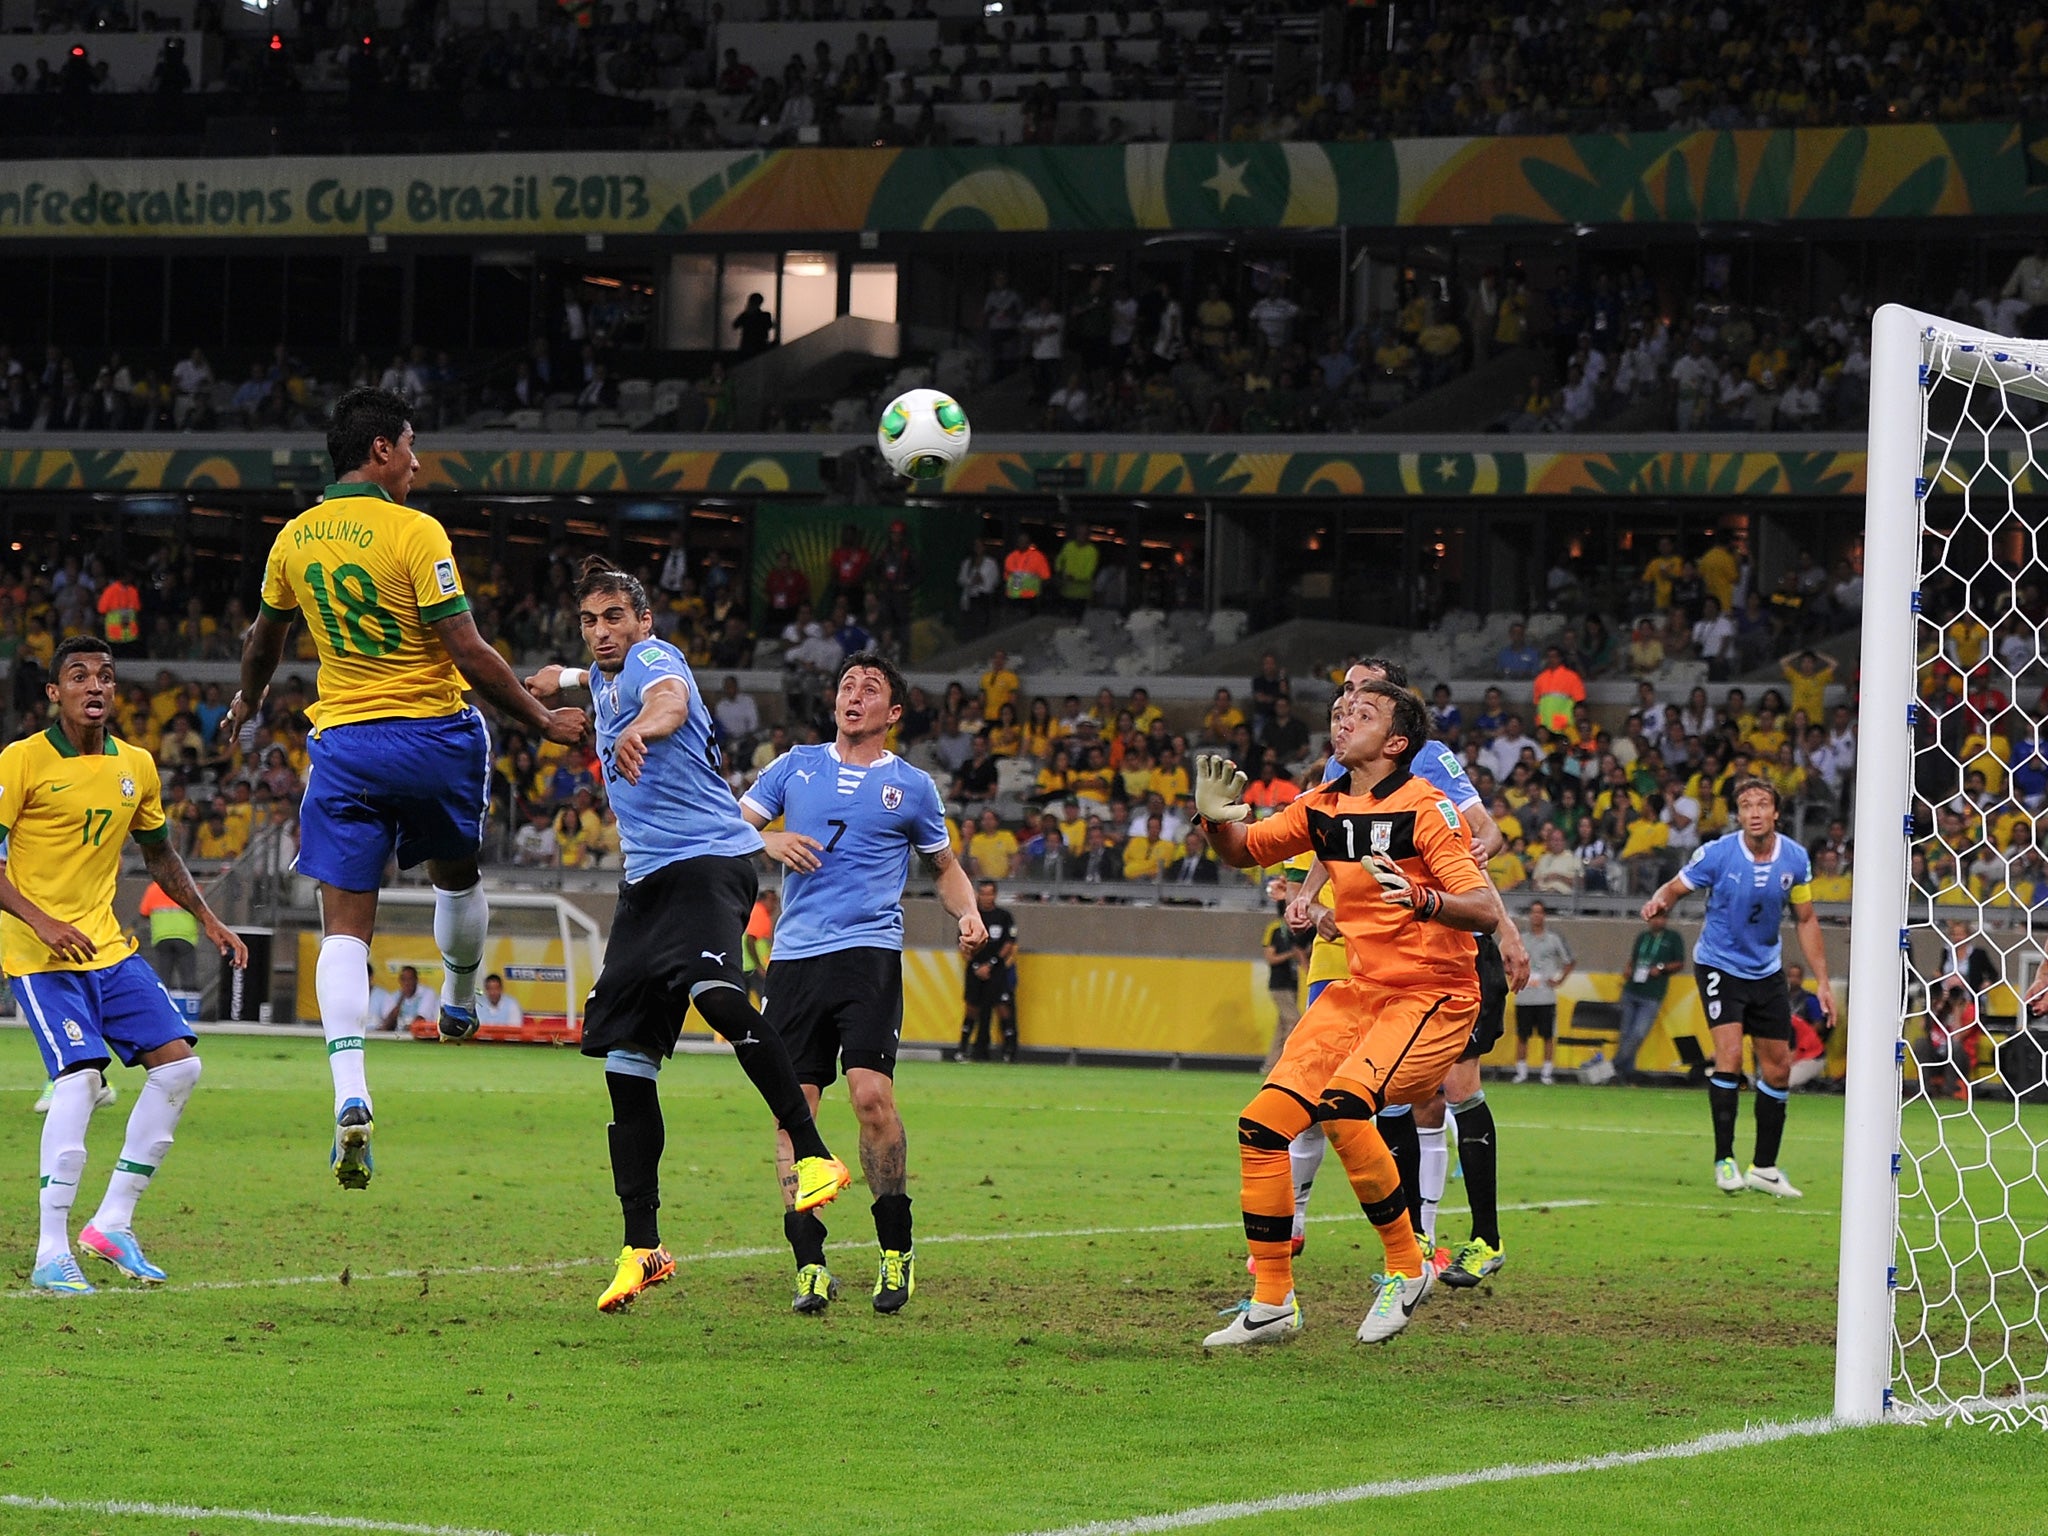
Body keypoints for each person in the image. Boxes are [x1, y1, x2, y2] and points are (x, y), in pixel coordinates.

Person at [229, 387, 587, 1191]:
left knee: (344, 926)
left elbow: (264, 642)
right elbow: (466, 647)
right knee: (456, 874)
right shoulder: (414, 530)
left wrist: (248, 702)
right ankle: (459, 995)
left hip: (346, 746)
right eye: (412, 445)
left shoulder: (292, 538)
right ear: (381, 450)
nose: (420, 461)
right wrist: (541, 719)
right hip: (431, 737)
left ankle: (351, 1092)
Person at [523, 559, 850, 1314]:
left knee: (718, 997)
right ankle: (643, 1247)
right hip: (645, 884)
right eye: (590, 620)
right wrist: (562, 680)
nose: (603, 632)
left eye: (614, 617)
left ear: (644, 621)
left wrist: (637, 727)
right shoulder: (604, 672)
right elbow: (593, 676)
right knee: (626, 1060)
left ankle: (813, 1155)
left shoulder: (652, 662)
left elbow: (665, 699)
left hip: (710, 859)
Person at [1197, 682, 1503, 1347]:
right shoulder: (1322, 805)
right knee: (1261, 1126)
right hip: (1360, 992)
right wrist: (1216, 820)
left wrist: (1421, 898)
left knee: (1341, 1106)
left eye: (1363, 714)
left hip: (1433, 993)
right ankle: (1273, 1300)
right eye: (1340, 711)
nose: (1344, 719)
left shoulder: (1428, 807)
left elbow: (1482, 909)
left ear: (1396, 742)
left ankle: (1408, 1264)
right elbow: (1244, 849)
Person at [741, 651, 986, 1315]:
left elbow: (945, 867)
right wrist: (769, 844)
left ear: (893, 713)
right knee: (794, 1111)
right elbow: (730, 829)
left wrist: (968, 912)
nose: (854, 695)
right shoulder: (795, 765)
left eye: (870, 688)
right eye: (847, 685)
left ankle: (894, 1249)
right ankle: (809, 1266)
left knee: (871, 1097)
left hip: (867, 953)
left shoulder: (911, 787)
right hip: (793, 962)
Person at [4, 636, 246, 1293]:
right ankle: (51, 1250)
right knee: (80, 1081)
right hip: (39, 955)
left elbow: (161, 856)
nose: (95, 685)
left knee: (181, 1067)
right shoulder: (21, 762)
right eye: (78, 676)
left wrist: (210, 919)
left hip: (108, 949)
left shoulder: (135, 764)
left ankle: (112, 1221)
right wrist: (42, 921)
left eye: (106, 677)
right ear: (54, 693)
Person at [1283, 659, 1528, 1292]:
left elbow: (1486, 837)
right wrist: (1311, 896)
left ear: (1392, 705)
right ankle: (1415, 1239)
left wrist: (1484, 915)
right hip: (1388, 956)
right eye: (1344, 691)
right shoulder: (1344, 767)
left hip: (1448, 946)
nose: (1349, 699)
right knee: (1391, 1090)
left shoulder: (1429, 758)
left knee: (1455, 1086)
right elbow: (1330, 840)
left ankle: (1485, 1238)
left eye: (1363, 690)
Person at [1641, 777, 1834, 1198]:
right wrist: (1660, 902)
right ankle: (1724, 1160)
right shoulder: (1717, 854)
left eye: (1762, 804)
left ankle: (1764, 1167)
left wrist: (1822, 982)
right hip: (1719, 966)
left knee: (1779, 1068)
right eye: (1746, 805)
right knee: (1729, 1055)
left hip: (1766, 971)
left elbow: (1805, 919)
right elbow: (1675, 887)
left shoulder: (1796, 859)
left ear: (1776, 813)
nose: (1755, 812)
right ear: (1739, 814)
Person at [1615, 908, 1685, 1081]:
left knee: (1638, 1033)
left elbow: (1679, 963)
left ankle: (1613, 1066)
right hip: (1632, 989)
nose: (1657, 922)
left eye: (1661, 918)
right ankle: (1626, 1073)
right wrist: (1628, 968)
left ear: (1666, 919)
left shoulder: (1673, 938)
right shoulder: (1642, 937)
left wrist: (1661, 968)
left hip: (1652, 994)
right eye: (1654, 918)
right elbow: (1634, 959)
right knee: (1625, 1033)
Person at [1511, 902, 1573, 1084]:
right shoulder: (1521, 938)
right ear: (1529, 915)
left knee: (1547, 1035)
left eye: (1540, 913)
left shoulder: (1553, 939)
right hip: (1524, 995)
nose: (1536, 916)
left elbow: (1569, 961)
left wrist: (1560, 980)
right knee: (1522, 1035)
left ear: (1544, 915)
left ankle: (1546, 1072)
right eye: (1533, 912)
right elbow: (1507, 960)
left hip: (1545, 995)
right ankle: (1521, 1072)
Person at [958, 882, 1018, 1062]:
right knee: (972, 1009)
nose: (986, 898)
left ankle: (1009, 1051)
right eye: (982, 894)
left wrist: (991, 964)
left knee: (1002, 1008)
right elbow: (963, 944)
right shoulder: (971, 916)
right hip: (975, 970)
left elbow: (1009, 943)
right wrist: (977, 966)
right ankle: (962, 1049)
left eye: (989, 894)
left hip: (997, 970)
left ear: (995, 895)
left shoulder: (1004, 916)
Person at [1260, 883, 1307, 1075]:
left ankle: (1270, 1066)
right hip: (1279, 985)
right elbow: (1270, 958)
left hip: (1291, 983)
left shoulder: (1294, 930)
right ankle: (1288, 1064)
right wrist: (1292, 955)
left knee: (1282, 1027)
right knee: (1294, 1021)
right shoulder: (1274, 929)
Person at [138, 879, 199, 993]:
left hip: (162, 936)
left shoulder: (153, 889)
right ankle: (189, 1007)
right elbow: (201, 910)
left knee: (163, 979)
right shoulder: (189, 887)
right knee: (188, 980)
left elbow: (144, 912)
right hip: (186, 937)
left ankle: (164, 1006)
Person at [1784, 963, 1832, 1089]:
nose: (1793, 979)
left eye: (1796, 976)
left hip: (1807, 1050)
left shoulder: (1810, 1000)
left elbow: (1819, 1025)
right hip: (1787, 1045)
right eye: (1791, 976)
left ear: (1801, 978)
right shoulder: (1783, 1000)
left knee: (1784, 1082)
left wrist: (1803, 1036)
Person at [380, 964, 438, 1033]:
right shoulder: (393, 996)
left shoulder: (427, 993)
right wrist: (400, 1000)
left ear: (416, 980)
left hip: (420, 1036)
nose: (407, 983)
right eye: (404, 979)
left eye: (410, 979)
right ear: (400, 981)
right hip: (398, 1037)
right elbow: (386, 1025)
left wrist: (406, 1028)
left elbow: (421, 1019)